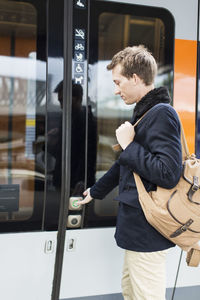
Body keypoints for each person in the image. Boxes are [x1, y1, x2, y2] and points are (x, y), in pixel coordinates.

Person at [77, 45, 182, 300]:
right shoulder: (146, 113)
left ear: (135, 78)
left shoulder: (162, 114)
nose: (116, 90)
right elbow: (126, 164)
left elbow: (168, 173)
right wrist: (96, 191)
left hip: (149, 231)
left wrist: (129, 145)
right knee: (131, 291)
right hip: (139, 230)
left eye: (118, 82)